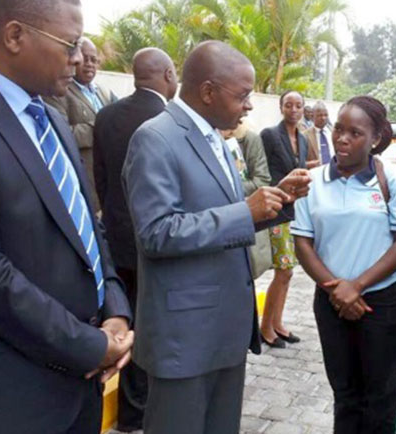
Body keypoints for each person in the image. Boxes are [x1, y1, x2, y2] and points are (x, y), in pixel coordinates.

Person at [0, 0, 134, 433]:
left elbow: (88, 228)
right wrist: (89, 345)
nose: (78, 57)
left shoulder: (50, 118)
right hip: (14, 398)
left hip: (80, 388)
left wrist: (116, 309)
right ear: (14, 36)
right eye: (69, 44)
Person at [122, 40, 311, 434]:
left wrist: (275, 200)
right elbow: (157, 233)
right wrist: (247, 211)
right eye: (242, 95)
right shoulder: (155, 138)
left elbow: (225, 217)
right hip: (185, 338)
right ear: (207, 92)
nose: (248, 106)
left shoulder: (217, 138)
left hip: (223, 332)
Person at [293, 96, 396, 434]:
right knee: (345, 394)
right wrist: (337, 290)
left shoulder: (394, 179)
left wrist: (357, 286)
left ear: (376, 138)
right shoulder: (313, 180)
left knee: (381, 395)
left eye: (355, 133)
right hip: (331, 301)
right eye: (339, 130)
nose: (343, 139)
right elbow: (303, 243)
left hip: (381, 302)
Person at [93, 47, 177, 433]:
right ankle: (149, 410)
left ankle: (129, 414)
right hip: (157, 242)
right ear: (167, 75)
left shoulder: (106, 115)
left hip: (118, 242)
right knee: (155, 325)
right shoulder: (170, 121)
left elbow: (102, 180)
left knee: (125, 322)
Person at [260, 90, 311, 348]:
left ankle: (278, 324)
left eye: (298, 105)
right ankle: (266, 328)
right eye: (288, 105)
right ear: (281, 107)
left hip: (295, 212)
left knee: (287, 273)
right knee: (283, 270)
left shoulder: (302, 139)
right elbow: (262, 171)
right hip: (275, 211)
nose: (293, 109)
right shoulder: (269, 135)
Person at [46, 37, 116, 212]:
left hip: (107, 180)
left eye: (94, 60)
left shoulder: (103, 92)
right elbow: (61, 134)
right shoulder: (59, 91)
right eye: (85, 59)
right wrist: (100, 127)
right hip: (83, 183)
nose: (90, 64)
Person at [220, 122, 273, 279]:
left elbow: (262, 180)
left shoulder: (249, 139)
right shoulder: (205, 139)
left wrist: (225, 189)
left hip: (242, 217)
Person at [304, 101, 335, 166]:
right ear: (312, 117)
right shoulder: (305, 135)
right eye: (319, 115)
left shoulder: (333, 133)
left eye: (325, 115)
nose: (323, 118)